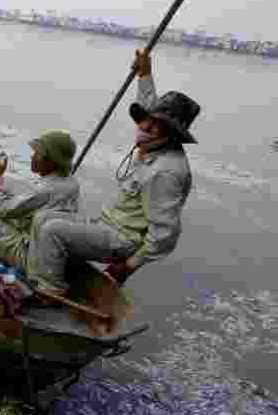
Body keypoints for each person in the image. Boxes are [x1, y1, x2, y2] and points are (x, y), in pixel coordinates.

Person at [28, 49, 199, 299]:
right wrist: (145, 74)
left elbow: (165, 234)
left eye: (154, 126)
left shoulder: (166, 173)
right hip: (108, 224)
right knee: (42, 218)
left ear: (171, 134)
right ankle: (44, 275)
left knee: (51, 230)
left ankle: (51, 292)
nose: (143, 127)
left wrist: (129, 267)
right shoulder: (155, 142)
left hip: (123, 240)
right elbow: (150, 107)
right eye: (145, 121)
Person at [0, 131, 80, 269]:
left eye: (38, 154)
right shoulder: (72, 183)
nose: (33, 156)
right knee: (12, 216)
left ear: (51, 160)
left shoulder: (45, 189)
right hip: (51, 253)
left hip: (32, 260)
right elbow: (29, 205)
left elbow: (2, 210)